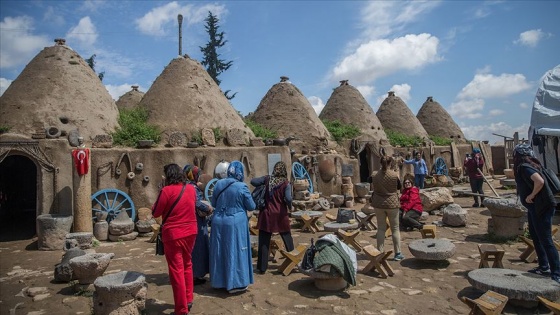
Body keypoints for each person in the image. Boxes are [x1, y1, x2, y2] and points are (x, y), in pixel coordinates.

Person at [152, 164, 197, 315]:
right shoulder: (190, 188)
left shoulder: (166, 191)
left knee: (176, 270)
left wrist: (160, 192)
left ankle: (181, 309)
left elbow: (156, 212)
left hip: (173, 235)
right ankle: (188, 299)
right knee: (187, 264)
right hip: (191, 231)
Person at [513, 144, 560, 283]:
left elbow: (539, 181)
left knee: (546, 240)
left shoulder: (524, 167)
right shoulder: (530, 165)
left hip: (542, 207)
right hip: (536, 208)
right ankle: (543, 266)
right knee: (536, 236)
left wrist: (531, 195)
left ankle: (557, 272)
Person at [209, 161, 256, 293]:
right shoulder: (242, 187)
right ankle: (236, 283)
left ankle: (220, 282)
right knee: (235, 251)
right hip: (235, 223)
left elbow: (213, 203)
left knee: (220, 251)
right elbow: (251, 206)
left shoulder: (218, 183)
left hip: (218, 222)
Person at [250, 161, 295, 274]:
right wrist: (290, 206)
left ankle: (262, 267)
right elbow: (288, 198)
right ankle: (293, 260)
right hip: (280, 214)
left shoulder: (267, 179)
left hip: (266, 214)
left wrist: (265, 180)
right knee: (287, 236)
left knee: (264, 241)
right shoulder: (286, 183)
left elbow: (253, 181)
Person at [183, 164, 213, 285]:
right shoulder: (192, 188)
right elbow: (197, 203)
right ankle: (195, 275)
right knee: (198, 249)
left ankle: (195, 274)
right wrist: (208, 208)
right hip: (197, 222)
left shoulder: (185, 186)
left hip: (190, 220)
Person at [370, 155, 404, 261]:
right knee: (395, 229)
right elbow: (399, 187)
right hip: (392, 204)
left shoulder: (374, 174)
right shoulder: (394, 175)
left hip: (379, 203)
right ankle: (397, 253)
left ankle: (380, 252)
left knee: (381, 228)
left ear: (380, 163)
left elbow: (368, 180)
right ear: (390, 163)